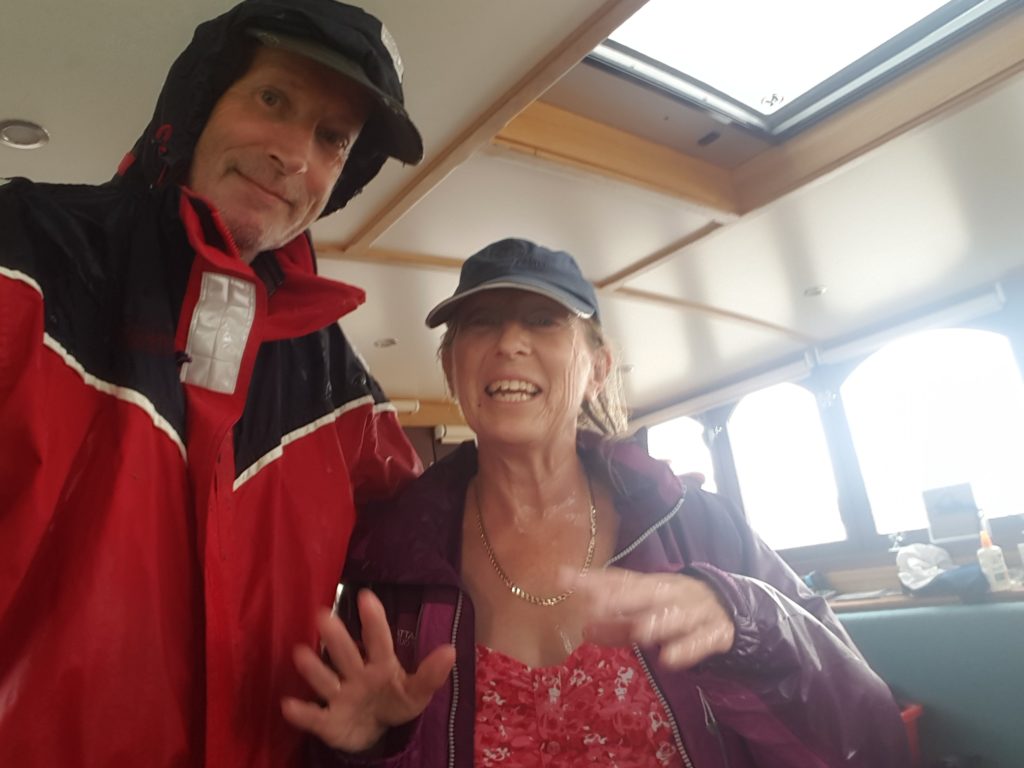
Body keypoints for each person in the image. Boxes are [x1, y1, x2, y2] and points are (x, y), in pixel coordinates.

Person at [284, 238, 913, 766]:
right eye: (480, 322)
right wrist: (368, 749)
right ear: (452, 368)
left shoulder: (697, 524)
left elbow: (870, 734)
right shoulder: (394, 566)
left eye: (543, 319)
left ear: (598, 367)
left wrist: (746, 626)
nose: (509, 341)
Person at [0, 1, 424, 765]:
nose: (294, 155)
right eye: (273, 98)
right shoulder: (24, 252)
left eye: (332, 137)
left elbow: (445, 546)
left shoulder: (344, 393)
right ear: (198, 101)